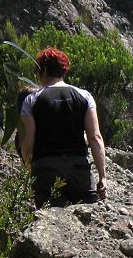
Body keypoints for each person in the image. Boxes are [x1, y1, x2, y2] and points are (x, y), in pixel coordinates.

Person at [19, 46, 107, 207]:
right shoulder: (84, 96)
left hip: (45, 169)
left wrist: (27, 167)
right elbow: (95, 137)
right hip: (78, 168)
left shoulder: (31, 100)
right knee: (87, 222)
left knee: (50, 225)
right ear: (63, 71)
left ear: (43, 70)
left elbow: (29, 141)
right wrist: (102, 176)